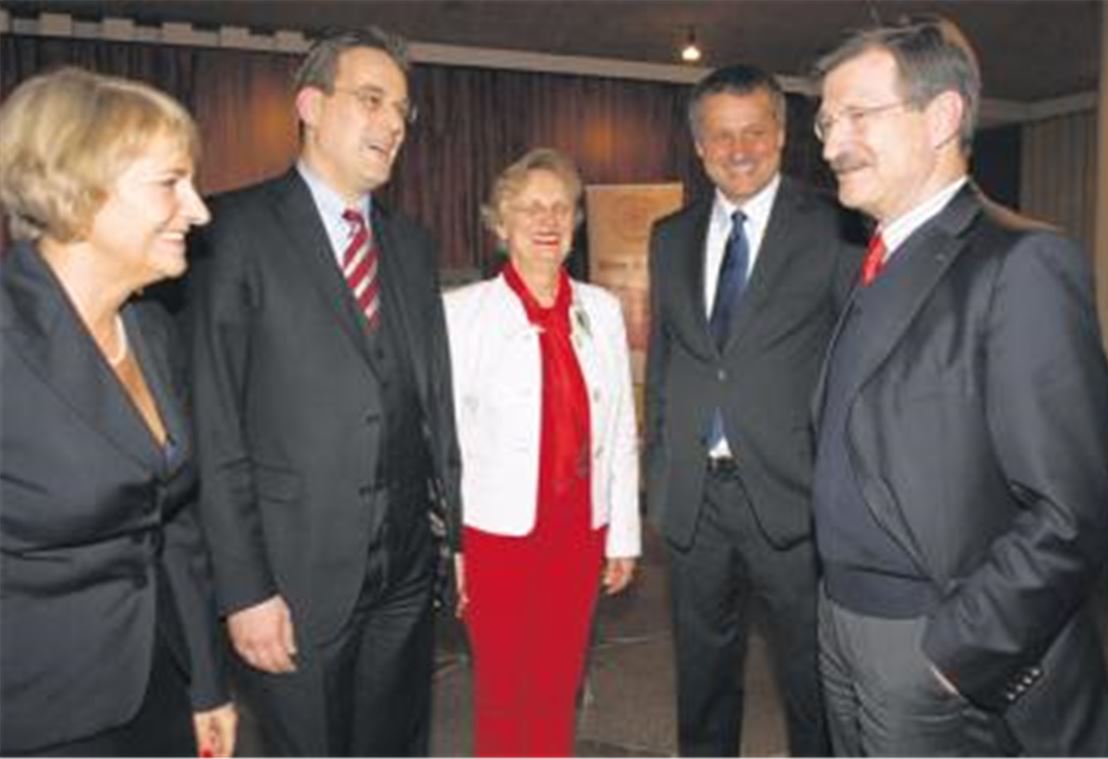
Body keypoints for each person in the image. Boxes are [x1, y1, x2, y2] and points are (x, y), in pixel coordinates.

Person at [811, 16, 1108, 756]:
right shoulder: (875, 261)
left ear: (943, 116)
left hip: (930, 642)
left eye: (857, 115)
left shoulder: (1022, 263)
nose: (828, 143)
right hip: (841, 621)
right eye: (826, 121)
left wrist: (958, 651)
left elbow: (1075, 507)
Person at [187, 26, 462, 756]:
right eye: (372, 99)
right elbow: (214, 428)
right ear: (310, 104)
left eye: (403, 109)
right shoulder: (231, 232)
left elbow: (433, 402)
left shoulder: (409, 246)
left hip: (405, 571)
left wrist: (454, 536)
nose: (395, 123)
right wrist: (245, 588)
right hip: (294, 574)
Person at [0, 67, 236, 757]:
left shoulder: (153, 329)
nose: (199, 210)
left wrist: (206, 682)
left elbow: (171, 526)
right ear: (79, 189)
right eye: (170, 183)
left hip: (154, 693)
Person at [644, 64, 859, 757]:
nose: (739, 149)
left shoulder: (835, 226)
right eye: (721, 135)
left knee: (811, 679)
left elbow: (857, 364)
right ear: (699, 145)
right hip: (697, 500)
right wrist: (658, 472)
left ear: (783, 134)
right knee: (703, 679)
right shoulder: (669, 236)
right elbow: (669, 362)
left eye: (755, 132)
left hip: (794, 498)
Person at [445, 148, 641, 757]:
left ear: (576, 222)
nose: (547, 219)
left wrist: (623, 537)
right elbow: (445, 442)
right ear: (500, 225)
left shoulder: (601, 310)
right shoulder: (462, 314)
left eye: (561, 206)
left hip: (579, 529)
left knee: (560, 684)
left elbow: (620, 427)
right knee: (504, 689)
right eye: (529, 207)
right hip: (495, 533)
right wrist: (453, 546)